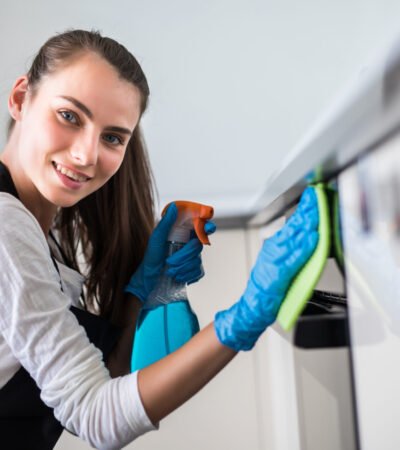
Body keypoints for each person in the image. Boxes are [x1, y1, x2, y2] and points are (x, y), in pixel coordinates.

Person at [0, 29, 319, 449]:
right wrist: (244, 317)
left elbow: (100, 384)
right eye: (70, 116)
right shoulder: (7, 226)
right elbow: (96, 417)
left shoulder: (44, 234)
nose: (86, 156)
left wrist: (147, 290)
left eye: (112, 137)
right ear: (21, 98)